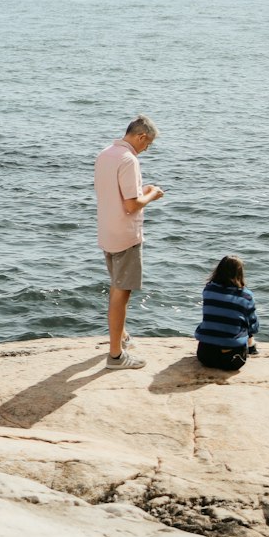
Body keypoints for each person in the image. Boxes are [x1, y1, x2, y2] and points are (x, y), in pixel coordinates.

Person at [94, 115, 163, 370]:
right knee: (121, 294)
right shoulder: (129, 159)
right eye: (148, 144)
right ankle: (115, 355)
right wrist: (152, 195)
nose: (147, 149)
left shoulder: (106, 154)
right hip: (125, 234)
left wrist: (140, 192)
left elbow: (114, 193)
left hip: (107, 230)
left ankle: (121, 336)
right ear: (141, 137)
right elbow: (131, 205)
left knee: (116, 286)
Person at [194, 255, 259, 372]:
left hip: (205, 356)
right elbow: (253, 326)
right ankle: (252, 348)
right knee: (245, 323)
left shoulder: (208, 290)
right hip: (232, 360)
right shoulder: (246, 296)